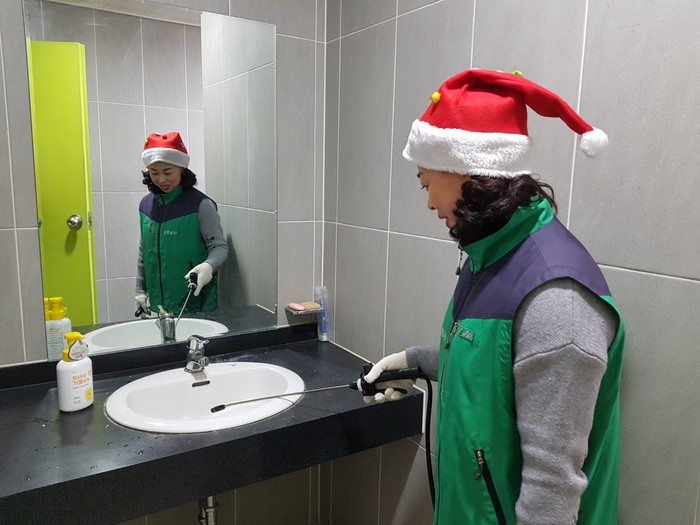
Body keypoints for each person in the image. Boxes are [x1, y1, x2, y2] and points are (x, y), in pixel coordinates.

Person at [364, 70, 625, 525]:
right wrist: (417, 361)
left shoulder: (556, 298)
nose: (428, 203)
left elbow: (551, 490)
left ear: (465, 170)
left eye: (426, 183)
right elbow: (500, 370)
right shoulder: (491, 254)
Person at [135, 131, 228, 316]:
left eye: (168, 172)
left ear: (182, 170)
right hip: (160, 305)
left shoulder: (201, 205)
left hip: (194, 302)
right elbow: (143, 252)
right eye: (154, 173)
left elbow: (219, 247)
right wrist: (140, 290)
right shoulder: (146, 205)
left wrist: (209, 266)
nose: (161, 179)